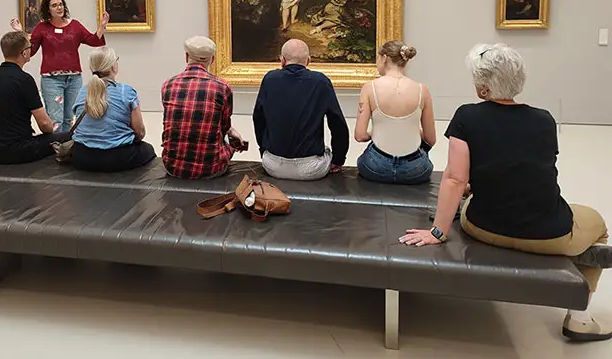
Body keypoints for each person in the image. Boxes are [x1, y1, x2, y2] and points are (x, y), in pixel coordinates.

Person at [400, 43, 612, 342]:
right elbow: (532, 168)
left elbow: (455, 178)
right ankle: (580, 318)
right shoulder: (544, 119)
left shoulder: (466, 116)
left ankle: (579, 309)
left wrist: (437, 232)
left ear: (482, 88)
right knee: (597, 224)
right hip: (548, 235)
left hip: (482, 227)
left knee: (471, 194)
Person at [11, 0, 109, 133]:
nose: (59, 8)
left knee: (70, 118)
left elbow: (93, 40)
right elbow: (30, 50)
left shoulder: (75, 26)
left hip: (74, 79)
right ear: (48, 9)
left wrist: (102, 27)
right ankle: (54, 150)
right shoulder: (41, 28)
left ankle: (67, 148)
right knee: (56, 119)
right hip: (52, 80)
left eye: (61, 4)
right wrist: (20, 33)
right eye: (54, 5)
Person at [253, 39, 349, 180]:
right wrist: (338, 160)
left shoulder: (269, 79)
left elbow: (258, 118)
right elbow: (338, 124)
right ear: (308, 60)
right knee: (327, 150)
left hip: (272, 165)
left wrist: (264, 151)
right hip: (311, 169)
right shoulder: (320, 81)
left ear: (282, 60)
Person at [161, 36, 247, 179]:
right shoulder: (222, 87)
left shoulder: (168, 85)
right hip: (210, 169)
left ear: (186, 56)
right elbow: (224, 127)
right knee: (229, 142)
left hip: (173, 167)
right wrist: (232, 134)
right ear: (212, 60)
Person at [0, 31, 71, 165]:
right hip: (17, 151)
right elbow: (45, 124)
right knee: (70, 136)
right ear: (24, 53)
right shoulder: (24, 80)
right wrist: (51, 131)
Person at [355, 41, 436, 185]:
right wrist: (409, 129)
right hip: (416, 170)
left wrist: (375, 131)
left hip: (375, 167)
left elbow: (360, 136)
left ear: (384, 58)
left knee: (364, 158)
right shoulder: (422, 90)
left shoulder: (369, 88)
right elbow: (431, 139)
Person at [68, 46, 155, 172]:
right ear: (113, 67)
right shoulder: (127, 92)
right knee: (148, 149)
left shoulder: (82, 92)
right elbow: (140, 132)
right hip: (117, 158)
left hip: (82, 157)